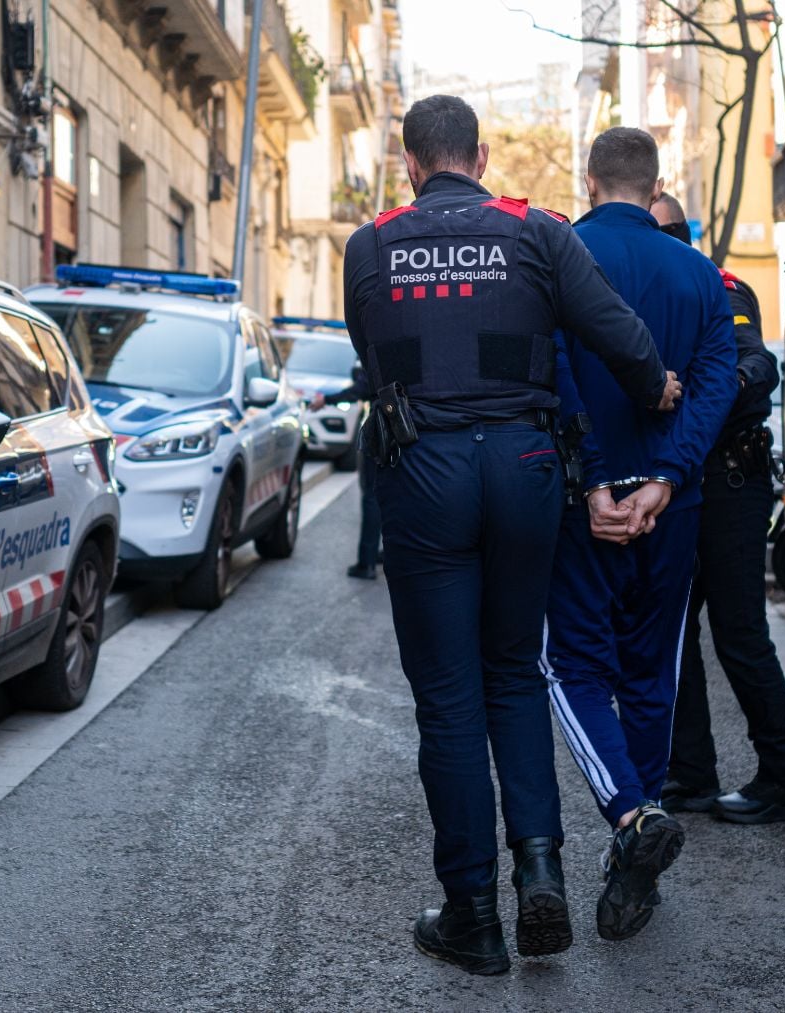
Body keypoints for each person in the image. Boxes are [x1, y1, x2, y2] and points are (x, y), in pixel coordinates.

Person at [342, 95, 682, 975]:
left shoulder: (371, 244)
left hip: (423, 474)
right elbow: (620, 336)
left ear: (411, 163)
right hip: (528, 469)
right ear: (481, 157)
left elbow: (369, 351)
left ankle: (471, 914)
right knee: (514, 676)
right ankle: (542, 874)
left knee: (448, 697)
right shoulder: (536, 232)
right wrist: (656, 392)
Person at [545, 130, 736, 942]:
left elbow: (546, 372)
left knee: (573, 664)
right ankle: (639, 847)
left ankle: (631, 818)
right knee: (652, 671)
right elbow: (718, 381)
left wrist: (593, 479)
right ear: (655, 184)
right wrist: (668, 477)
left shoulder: (559, 256)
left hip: (584, 502)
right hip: (672, 503)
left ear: (589, 180)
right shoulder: (700, 273)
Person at [647, 193, 785, 826]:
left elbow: (755, 366)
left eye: (663, 229)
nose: (654, 239)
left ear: (683, 233)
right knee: (674, 634)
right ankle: (691, 773)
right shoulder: (654, 290)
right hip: (682, 484)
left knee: (739, 634)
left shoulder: (719, 287)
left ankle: (784, 777)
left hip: (730, 483)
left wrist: (703, 392)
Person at [310, 364, 381, 579]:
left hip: (383, 435)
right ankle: (383, 554)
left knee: (372, 498)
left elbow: (360, 389)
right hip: (413, 434)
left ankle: (366, 562)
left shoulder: (380, 345)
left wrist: (326, 400)